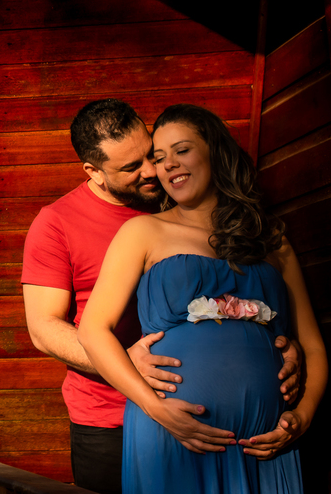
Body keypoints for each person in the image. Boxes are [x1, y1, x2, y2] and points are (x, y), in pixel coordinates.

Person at [22, 99, 299, 494]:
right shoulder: (58, 223)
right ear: (94, 172)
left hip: (242, 423)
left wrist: (281, 344)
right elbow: (43, 328)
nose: (152, 170)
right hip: (110, 418)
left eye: (149, 154)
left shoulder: (180, 198)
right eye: (131, 167)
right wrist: (125, 363)